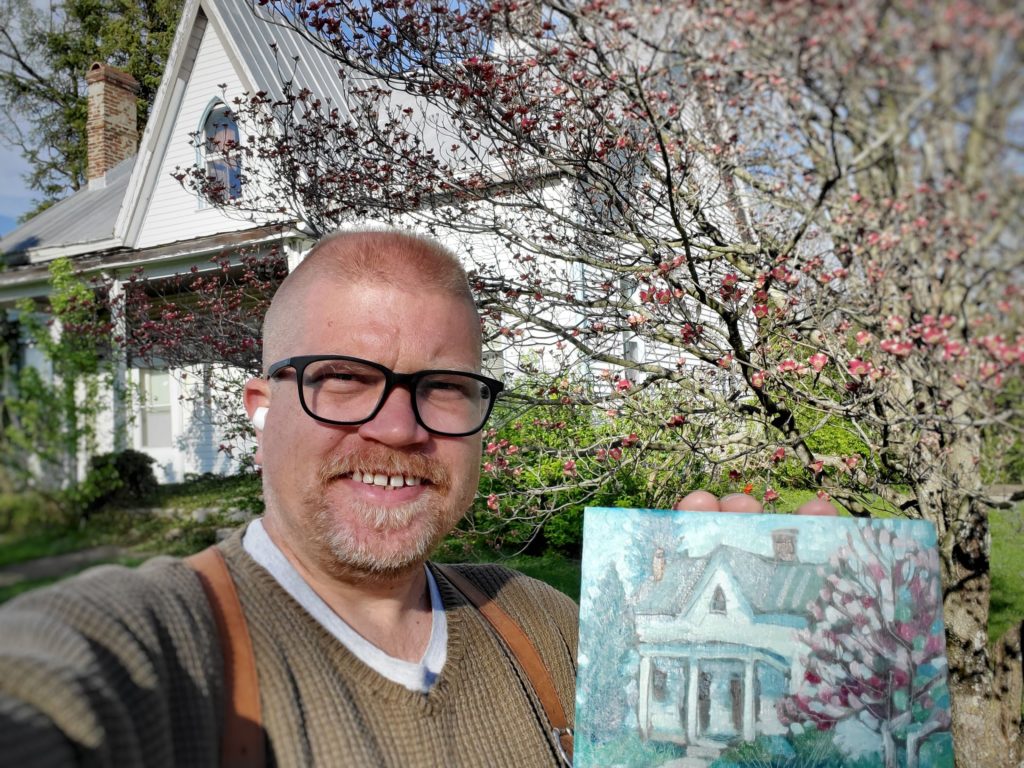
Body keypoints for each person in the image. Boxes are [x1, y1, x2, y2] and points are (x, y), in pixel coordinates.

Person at [0, 229, 834, 766]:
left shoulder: (552, 632)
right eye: (344, 378)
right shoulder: (167, 649)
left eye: (441, 387)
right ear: (261, 408)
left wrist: (781, 711)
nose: (397, 428)